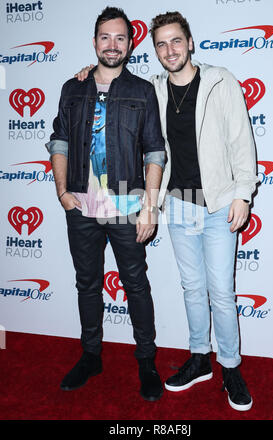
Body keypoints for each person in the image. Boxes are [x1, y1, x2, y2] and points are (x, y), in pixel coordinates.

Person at [76, 11, 259, 411]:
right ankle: (199, 359)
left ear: (190, 42)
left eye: (176, 41)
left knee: (222, 294)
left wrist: (243, 194)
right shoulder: (152, 89)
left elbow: (242, 142)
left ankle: (230, 367)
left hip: (219, 205)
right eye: (161, 44)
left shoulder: (219, 81)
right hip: (177, 205)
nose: (170, 50)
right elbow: (114, 84)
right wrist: (90, 72)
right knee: (192, 290)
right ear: (154, 50)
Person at [45, 6, 166, 402]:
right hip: (80, 205)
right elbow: (59, 141)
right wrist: (63, 193)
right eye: (104, 37)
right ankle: (91, 355)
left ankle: (146, 361)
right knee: (87, 284)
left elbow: (154, 151)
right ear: (94, 41)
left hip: (127, 206)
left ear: (130, 44)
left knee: (136, 284)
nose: (112, 45)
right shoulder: (72, 87)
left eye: (120, 38)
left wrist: (149, 207)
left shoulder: (142, 90)